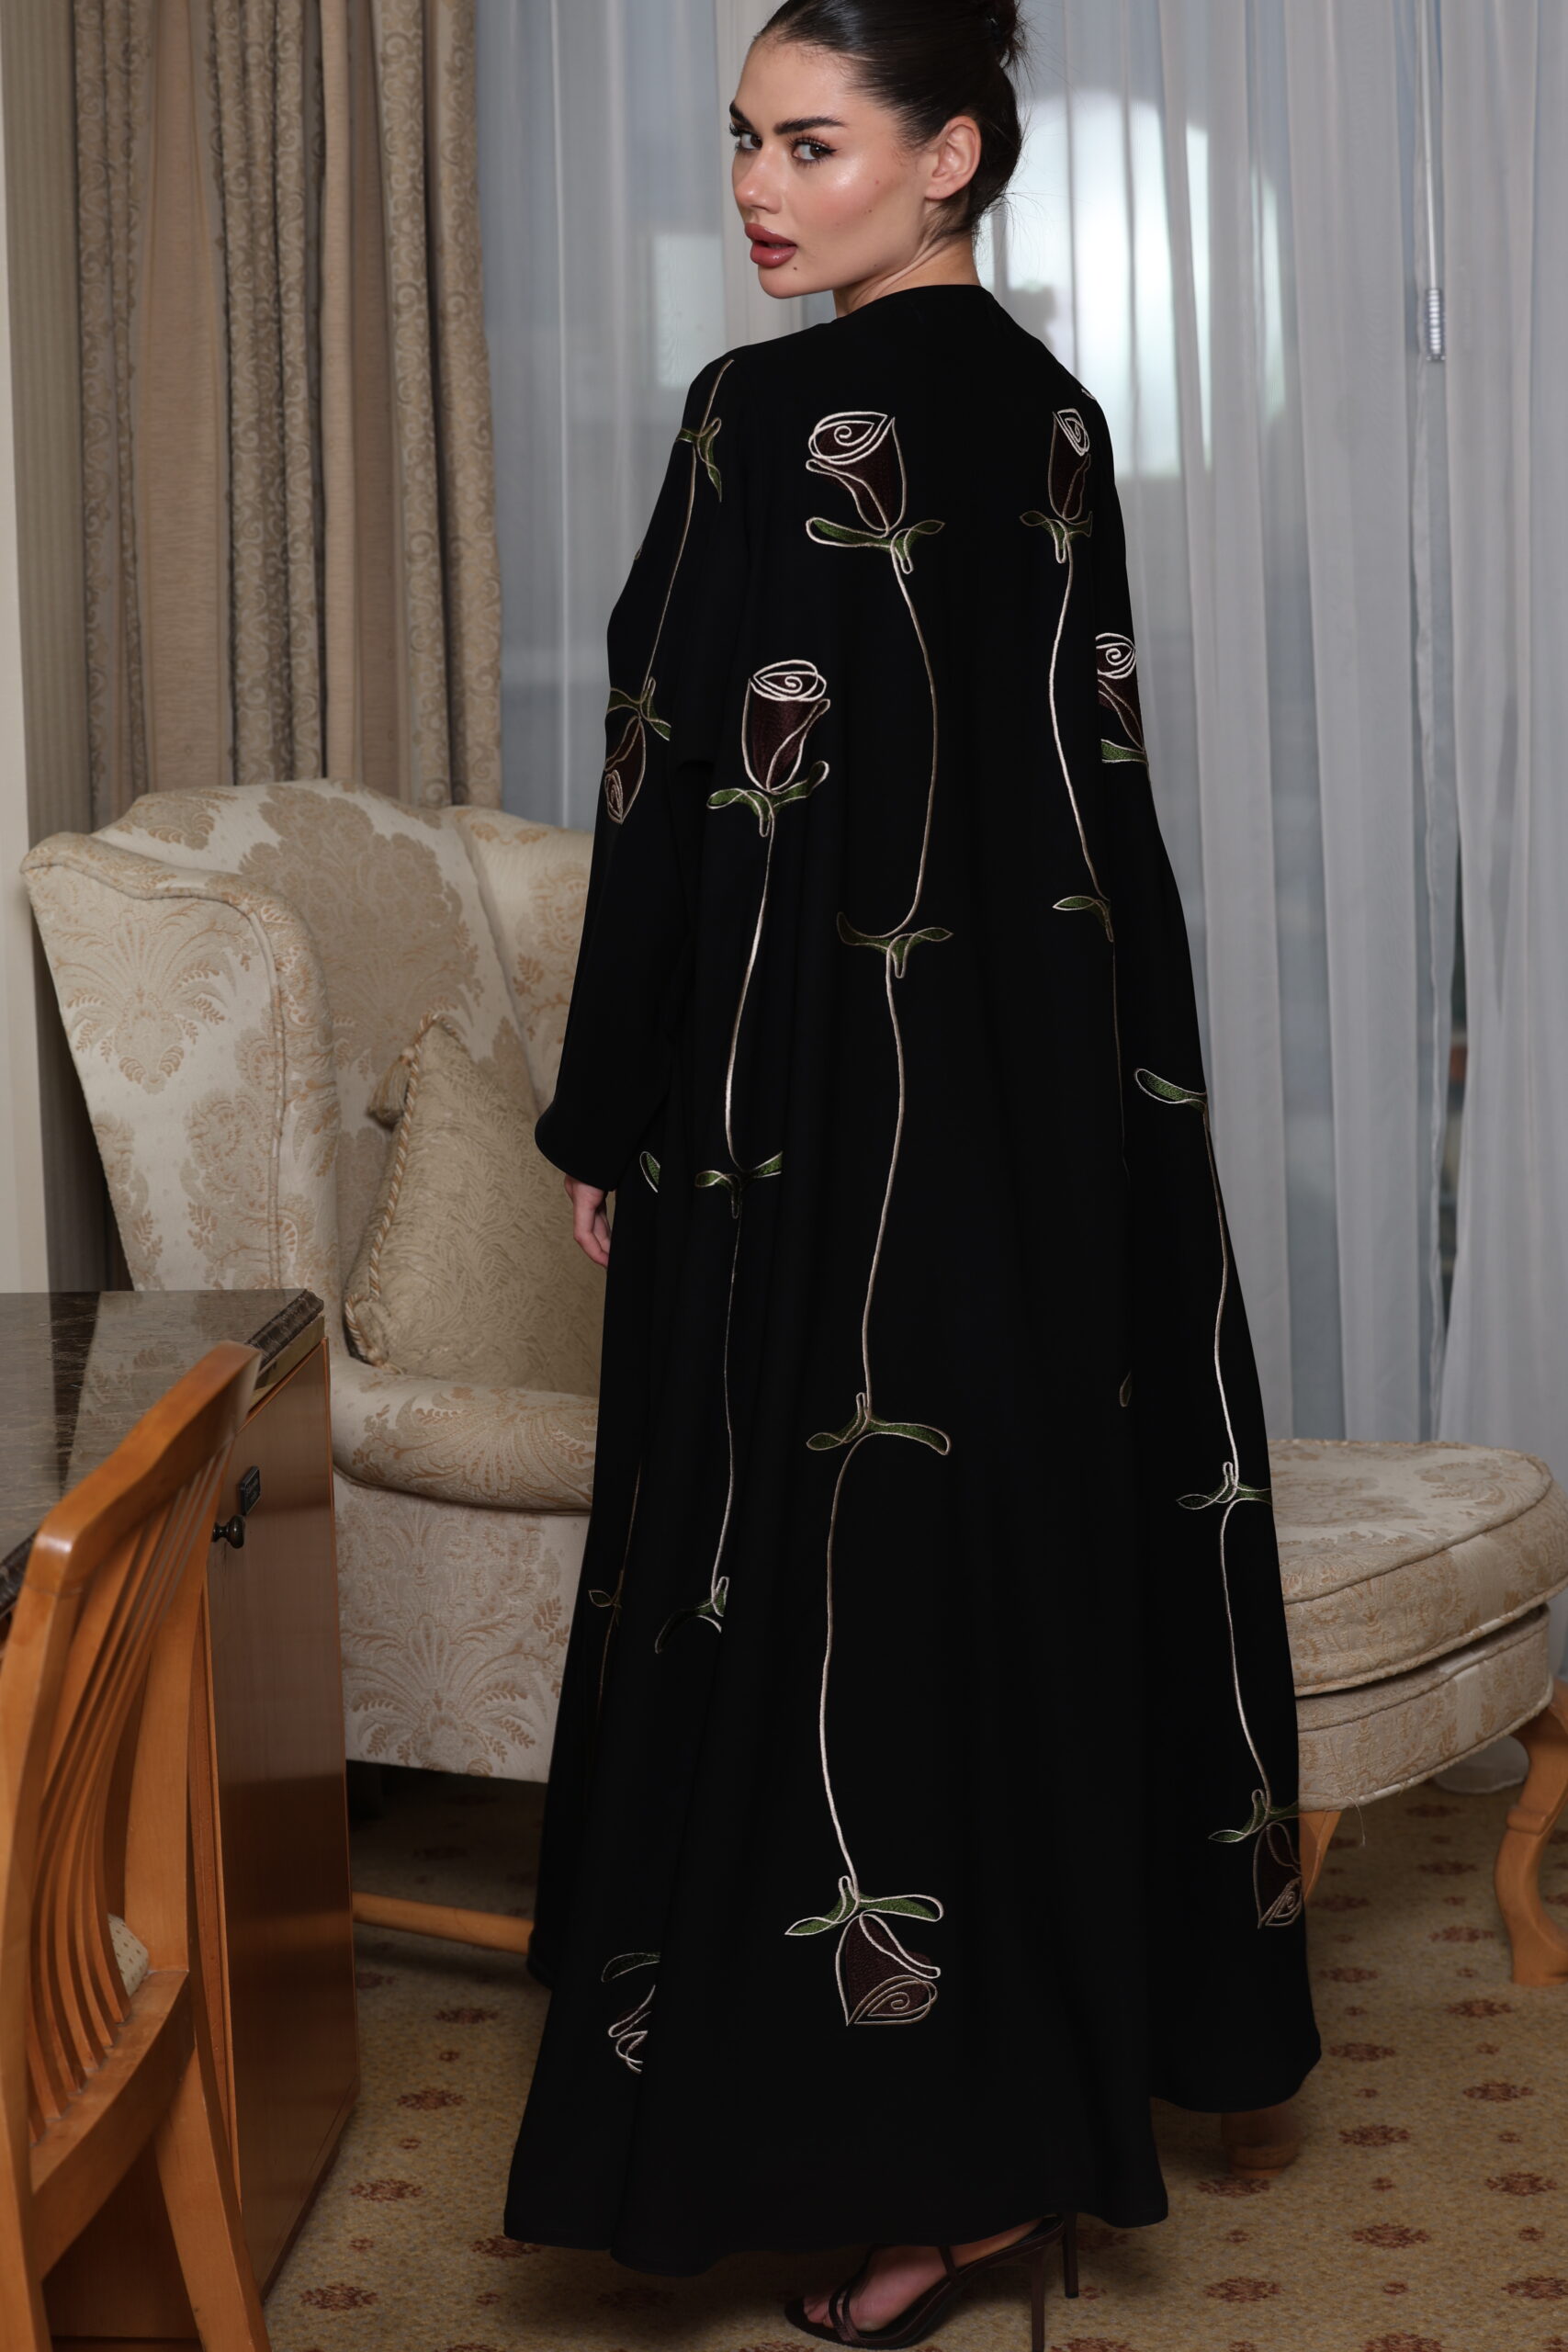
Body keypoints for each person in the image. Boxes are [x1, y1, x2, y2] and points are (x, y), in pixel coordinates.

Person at [503, 3, 1321, 2345]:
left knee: (811, 1609)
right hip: (1050, 1116)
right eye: (743, 142)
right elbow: (1083, 813)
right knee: (997, 1591)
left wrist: (611, 1110)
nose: (757, 188)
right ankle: (1005, 2150)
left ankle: (864, 2162)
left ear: (948, 154)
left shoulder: (758, 419)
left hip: (813, 1129)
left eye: (810, 143)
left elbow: (671, 781)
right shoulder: (1055, 412)